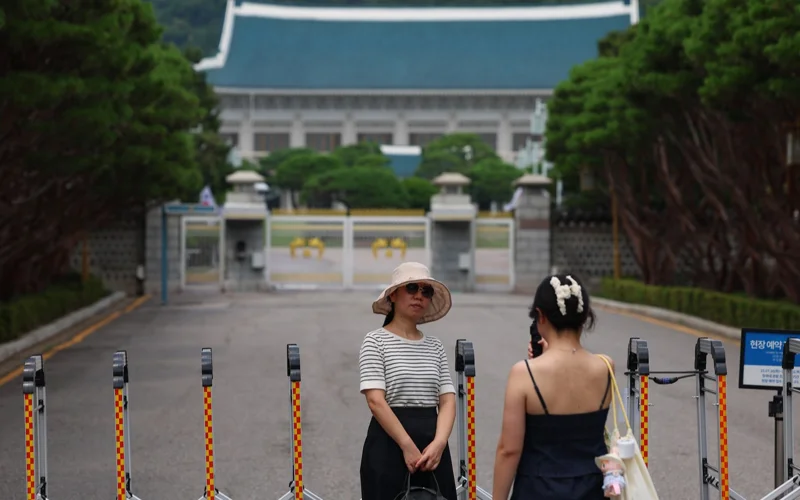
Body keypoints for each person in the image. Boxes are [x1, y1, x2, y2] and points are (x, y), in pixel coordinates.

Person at [492, 273, 616, 500]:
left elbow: (509, 451)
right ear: (585, 316)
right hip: (592, 488)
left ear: (540, 316)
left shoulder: (525, 373)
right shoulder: (606, 366)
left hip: (538, 488)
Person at [359, 261, 459, 500]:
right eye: (412, 288)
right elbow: (375, 401)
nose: (419, 296)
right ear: (393, 295)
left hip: (433, 448)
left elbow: (447, 401)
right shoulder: (375, 342)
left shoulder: (435, 346)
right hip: (388, 443)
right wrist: (406, 446)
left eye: (426, 291)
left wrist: (440, 443)